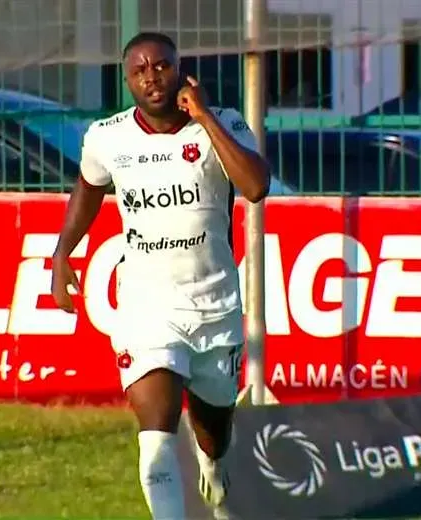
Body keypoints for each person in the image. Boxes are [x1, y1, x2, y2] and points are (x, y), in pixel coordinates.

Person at [51, 31, 270, 520]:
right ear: (127, 80)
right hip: (147, 306)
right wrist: (63, 251)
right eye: (139, 71)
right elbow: (88, 187)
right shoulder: (108, 136)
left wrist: (206, 118)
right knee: (156, 437)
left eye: (161, 67)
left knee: (214, 430)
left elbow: (255, 187)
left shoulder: (225, 123)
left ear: (180, 70)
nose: (152, 78)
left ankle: (214, 467)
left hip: (215, 303)